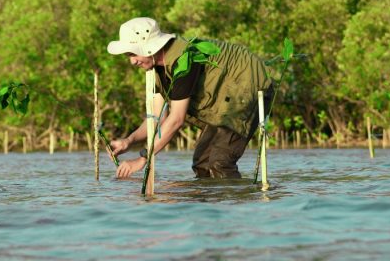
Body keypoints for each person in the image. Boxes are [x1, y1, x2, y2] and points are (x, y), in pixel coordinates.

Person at [107, 17, 273, 179]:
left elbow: (176, 120)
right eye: (128, 55)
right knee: (202, 164)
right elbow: (156, 118)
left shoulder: (183, 60)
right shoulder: (155, 69)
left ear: (149, 47)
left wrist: (142, 159)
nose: (132, 62)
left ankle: (244, 202)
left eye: (133, 54)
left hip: (248, 85)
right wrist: (128, 141)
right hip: (223, 99)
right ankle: (212, 206)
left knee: (219, 163)